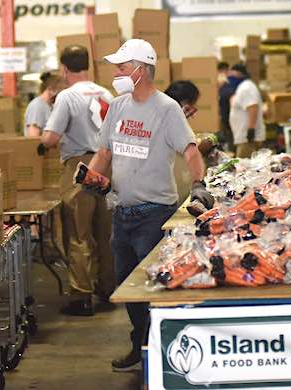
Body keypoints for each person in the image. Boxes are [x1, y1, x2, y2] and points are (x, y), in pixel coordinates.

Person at [79, 39, 212, 371]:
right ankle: (140, 345)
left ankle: (163, 354)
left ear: (140, 70)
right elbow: (105, 151)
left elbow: (190, 149)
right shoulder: (119, 106)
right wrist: (93, 176)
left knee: (156, 288)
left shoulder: (166, 109)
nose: (116, 73)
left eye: (122, 68)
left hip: (154, 214)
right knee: (130, 287)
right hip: (122, 213)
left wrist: (198, 184)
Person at [40, 46, 116, 317]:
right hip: (108, 165)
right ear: (88, 66)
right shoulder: (106, 93)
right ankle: (108, 288)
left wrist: (41, 142)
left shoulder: (67, 97)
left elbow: (49, 138)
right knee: (105, 233)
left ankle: (81, 295)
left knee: (79, 232)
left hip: (80, 167)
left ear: (64, 69)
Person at [165, 80, 222, 204]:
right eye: (193, 103)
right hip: (171, 185)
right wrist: (202, 147)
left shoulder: (163, 112)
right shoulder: (171, 118)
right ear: (185, 102)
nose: (192, 110)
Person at [228, 63, 266, 158]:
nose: (230, 78)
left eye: (232, 75)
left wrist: (251, 130)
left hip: (247, 139)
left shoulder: (246, 88)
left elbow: (252, 107)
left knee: (244, 168)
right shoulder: (243, 87)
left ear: (240, 74)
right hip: (243, 138)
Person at [24, 71, 64, 137]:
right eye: (60, 92)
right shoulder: (37, 106)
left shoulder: (50, 106)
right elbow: (33, 138)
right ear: (50, 89)